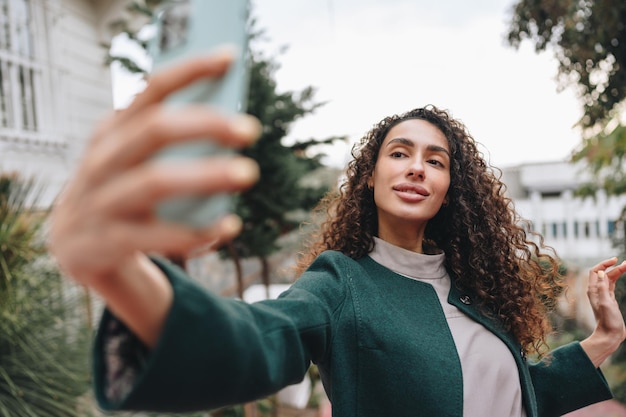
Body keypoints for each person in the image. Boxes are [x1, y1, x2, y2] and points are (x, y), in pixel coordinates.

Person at [48, 49, 626, 417]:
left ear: (452, 188)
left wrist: (600, 341)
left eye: (436, 160)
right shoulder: (340, 283)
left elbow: (513, 396)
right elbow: (257, 340)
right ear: (371, 177)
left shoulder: (472, 288)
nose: (417, 167)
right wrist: (123, 271)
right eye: (399, 153)